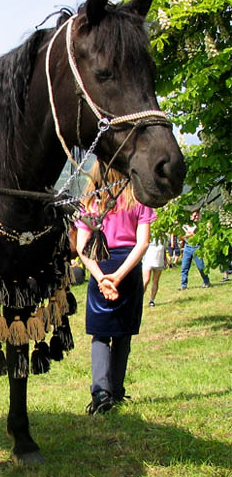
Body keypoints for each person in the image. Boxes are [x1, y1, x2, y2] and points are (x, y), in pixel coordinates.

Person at [76, 161, 155, 415]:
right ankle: (117, 391)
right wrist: (120, 276)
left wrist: (102, 279)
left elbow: (81, 247)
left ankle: (101, 392)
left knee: (100, 333)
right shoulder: (138, 198)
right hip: (128, 267)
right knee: (123, 333)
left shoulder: (88, 202)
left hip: (99, 265)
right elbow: (142, 244)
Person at [179, 209, 211, 290]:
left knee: (201, 266)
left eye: (197, 215)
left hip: (197, 246)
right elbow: (181, 236)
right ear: (190, 217)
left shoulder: (200, 225)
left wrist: (191, 234)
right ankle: (183, 285)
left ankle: (206, 281)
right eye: (194, 216)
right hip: (187, 246)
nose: (196, 217)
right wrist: (188, 235)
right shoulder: (185, 225)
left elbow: (200, 237)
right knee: (184, 267)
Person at [142, 237, 166, 307]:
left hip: (159, 260)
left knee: (155, 280)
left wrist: (165, 259)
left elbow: (164, 248)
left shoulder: (164, 235)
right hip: (148, 259)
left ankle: (152, 300)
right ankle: (139, 298)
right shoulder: (150, 232)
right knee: (146, 280)